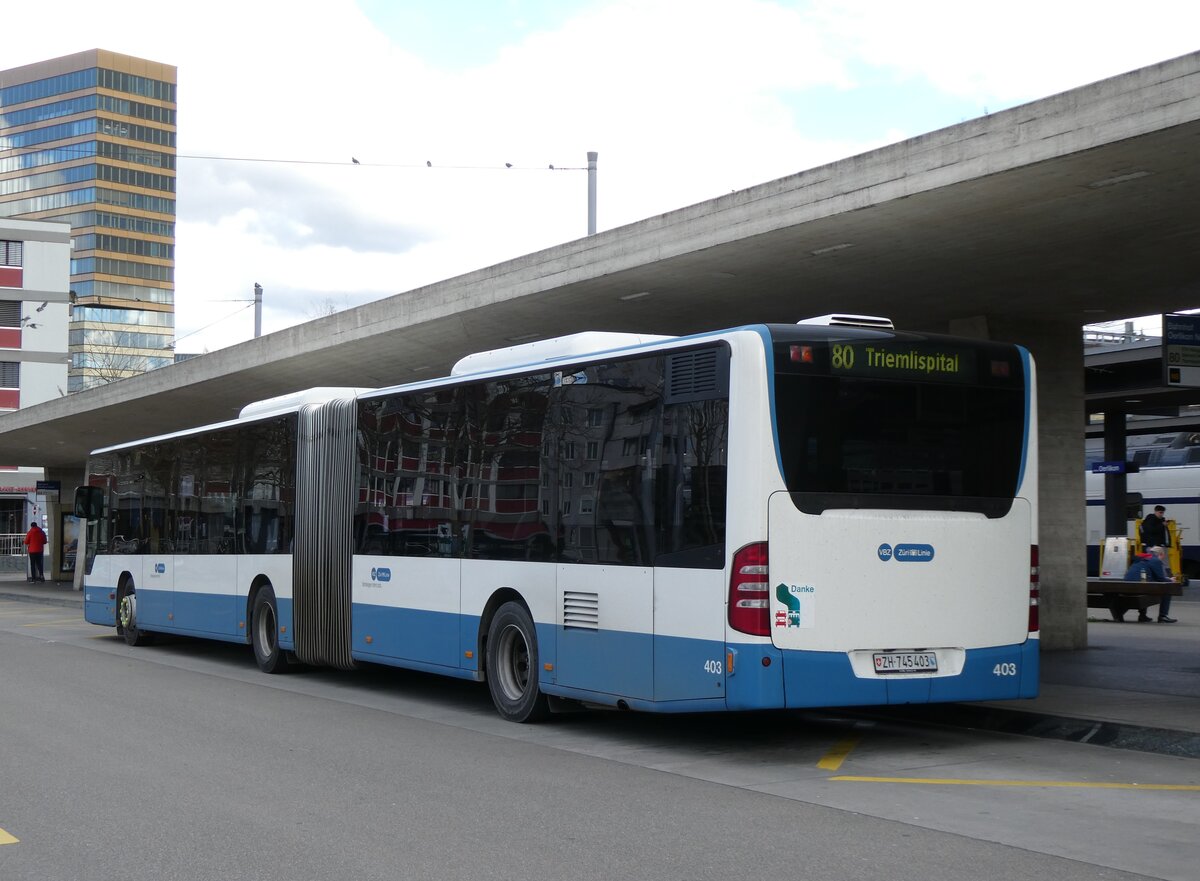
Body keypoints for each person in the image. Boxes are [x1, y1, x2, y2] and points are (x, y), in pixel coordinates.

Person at [1123, 545, 1177, 623]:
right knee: (1167, 591)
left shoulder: (1141, 558)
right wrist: (1170, 580)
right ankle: (1163, 616)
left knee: (1144, 588)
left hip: (1128, 587)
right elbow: (1160, 578)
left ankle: (1142, 615)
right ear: (1161, 554)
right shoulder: (1155, 560)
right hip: (1141, 587)